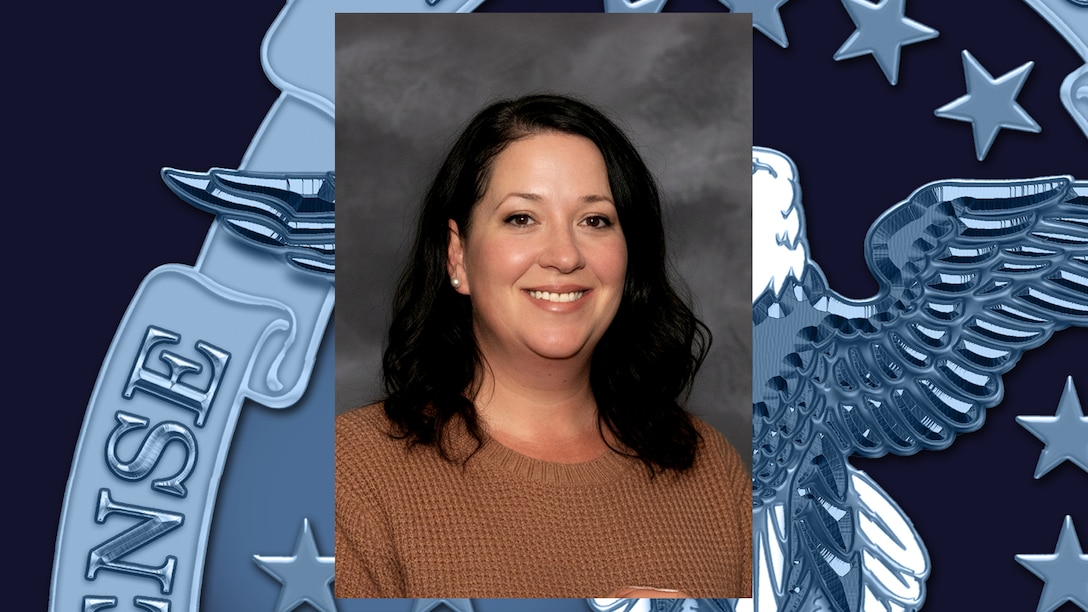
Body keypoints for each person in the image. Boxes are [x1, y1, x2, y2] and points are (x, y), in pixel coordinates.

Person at [335, 94, 751, 598]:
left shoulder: (713, 471)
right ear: (458, 256)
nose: (564, 256)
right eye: (521, 219)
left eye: (595, 220)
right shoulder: (348, 472)